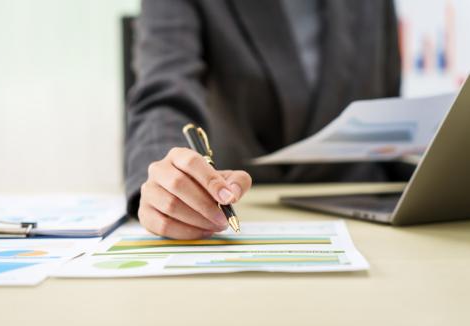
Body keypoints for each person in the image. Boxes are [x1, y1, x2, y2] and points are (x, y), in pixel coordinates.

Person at [125, 0, 402, 239]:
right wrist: (169, 178)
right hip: (239, 200)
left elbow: (388, 103)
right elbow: (164, 95)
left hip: (369, 211)